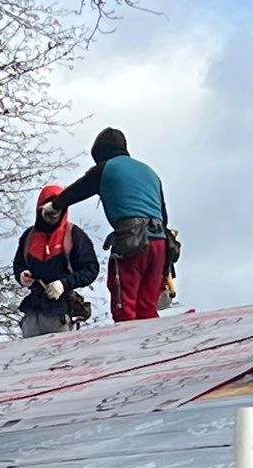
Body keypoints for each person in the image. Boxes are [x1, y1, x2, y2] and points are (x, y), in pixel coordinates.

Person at [56, 126, 173, 322]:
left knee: (124, 305)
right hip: (160, 243)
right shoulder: (150, 173)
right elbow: (164, 215)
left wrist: (55, 204)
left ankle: (129, 349)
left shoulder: (106, 168)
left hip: (131, 242)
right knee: (147, 308)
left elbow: (79, 190)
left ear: (100, 154)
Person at [12, 184, 99, 336]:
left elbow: (90, 269)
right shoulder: (29, 237)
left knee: (61, 357)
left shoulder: (74, 235)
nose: (52, 216)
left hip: (61, 313)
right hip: (33, 313)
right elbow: (18, 264)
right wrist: (22, 275)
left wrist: (63, 284)